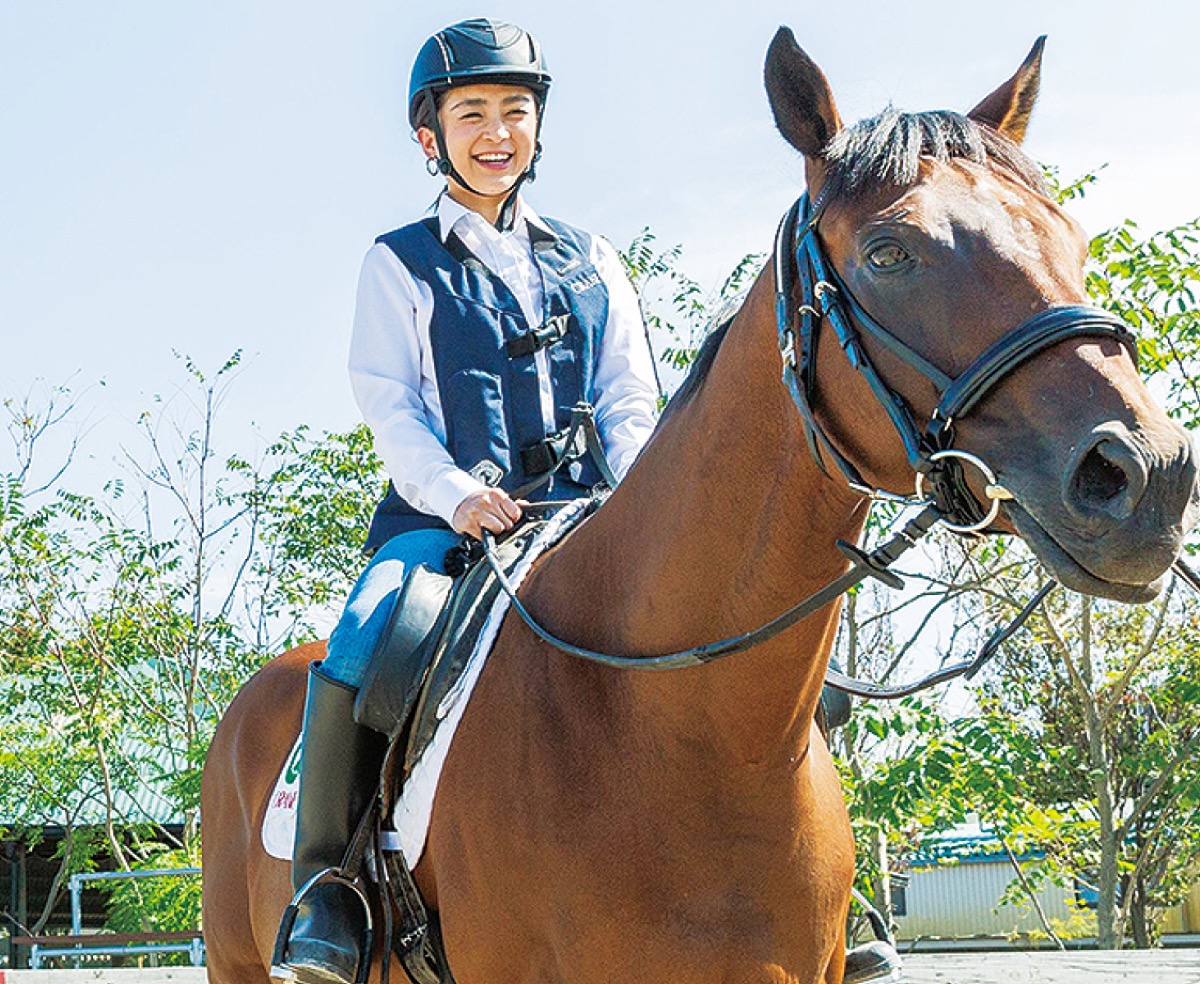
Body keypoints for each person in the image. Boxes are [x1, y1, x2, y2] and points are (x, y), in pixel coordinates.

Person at [272, 18, 659, 984]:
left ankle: (831, 882)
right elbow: (391, 406)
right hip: (446, 530)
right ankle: (329, 894)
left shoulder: (596, 259)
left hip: (589, 521)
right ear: (429, 136)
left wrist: (642, 500)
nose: (497, 131)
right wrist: (457, 495)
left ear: (538, 128)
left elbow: (627, 399)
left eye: (515, 113)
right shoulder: (396, 262)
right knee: (364, 639)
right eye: (472, 113)